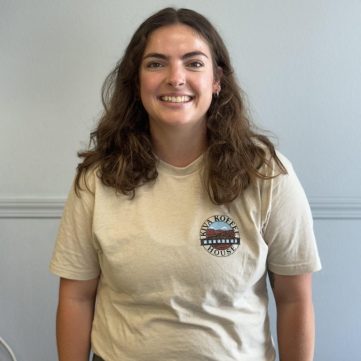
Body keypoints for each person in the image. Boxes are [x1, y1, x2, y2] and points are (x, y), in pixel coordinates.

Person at [50, 7, 321, 361]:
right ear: (136, 82)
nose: (175, 78)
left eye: (194, 63)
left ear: (217, 80)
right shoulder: (97, 178)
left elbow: (294, 299)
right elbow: (76, 297)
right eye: (156, 64)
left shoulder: (266, 173)